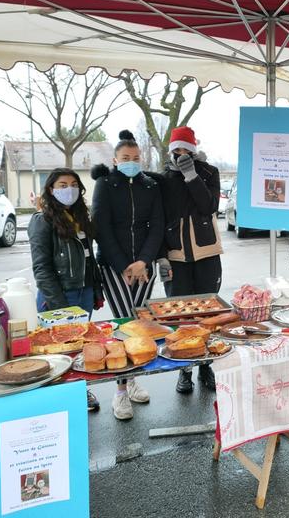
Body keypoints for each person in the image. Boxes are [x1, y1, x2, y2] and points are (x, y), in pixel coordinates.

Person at [91, 130, 165, 421]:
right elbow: (101, 226)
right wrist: (124, 264)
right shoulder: (105, 184)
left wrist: (144, 261)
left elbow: (157, 225)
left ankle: (132, 379)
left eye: (135, 158)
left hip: (145, 268)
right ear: (115, 159)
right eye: (125, 158)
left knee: (140, 324)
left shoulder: (150, 185)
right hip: (114, 266)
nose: (131, 162)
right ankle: (120, 391)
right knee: (124, 324)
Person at [154, 126, 223, 394]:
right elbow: (158, 220)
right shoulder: (163, 179)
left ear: (194, 150)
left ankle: (206, 364)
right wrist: (161, 256)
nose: (180, 154)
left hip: (206, 252)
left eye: (186, 150)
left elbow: (208, 206)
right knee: (180, 315)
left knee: (207, 314)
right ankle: (183, 369)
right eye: (176, 150)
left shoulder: (209, 172)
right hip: (176, 255)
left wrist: (191, 175)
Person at [28, 168, 103, 412]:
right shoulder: (42, 220)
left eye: (72, 184)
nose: (67, 189)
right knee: (59, 350)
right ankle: (61, 400)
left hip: (84, 291)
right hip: (59, 296)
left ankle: (79, 391)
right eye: (62, 185)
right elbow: (41, 268)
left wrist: (96, 290)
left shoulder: (81, 217)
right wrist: (59, 306)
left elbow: (90, 258)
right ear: (51, 189)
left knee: (79, 346)